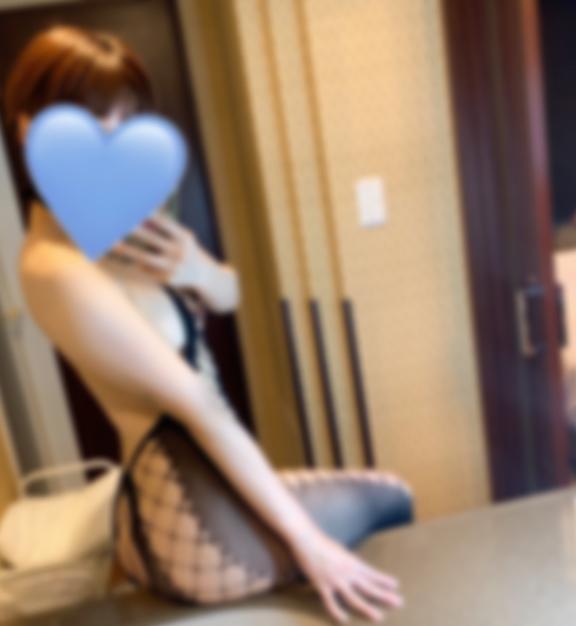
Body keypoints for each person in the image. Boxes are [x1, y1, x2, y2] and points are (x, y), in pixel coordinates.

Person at [2, 24, 414, 624]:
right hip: (186, 516)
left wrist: (196, 266)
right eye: (92, 125)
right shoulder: (54, 269)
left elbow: (229, 295)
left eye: (124, 123)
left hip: (193, 499)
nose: (110, 145)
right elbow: (199, 404)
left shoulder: (120, 230)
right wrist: (311, 544)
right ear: (28, 128)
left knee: (382, 504)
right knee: (393, 497)